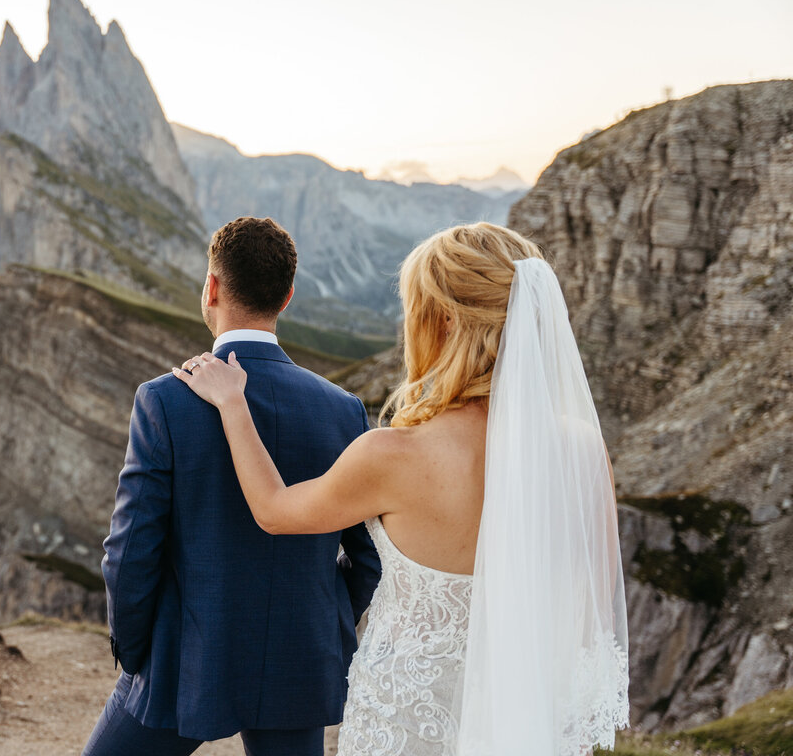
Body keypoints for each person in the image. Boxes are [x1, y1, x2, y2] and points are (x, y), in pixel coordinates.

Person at [176, 222, 630, 756]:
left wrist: (234, 405)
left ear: (441, 320)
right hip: (524, 723)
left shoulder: (393, 455)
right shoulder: (581, 451)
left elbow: (275, 511)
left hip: (405, 725)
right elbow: (588, 617)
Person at [83, 216, 382, 756]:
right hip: (297, 657)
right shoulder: (343, 411)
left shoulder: (164, 400)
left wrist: (136, 652)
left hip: (182, 659)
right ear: (287, 297)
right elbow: (368, 556)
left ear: (212, 287)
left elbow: (129, 552)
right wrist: (319, 615)